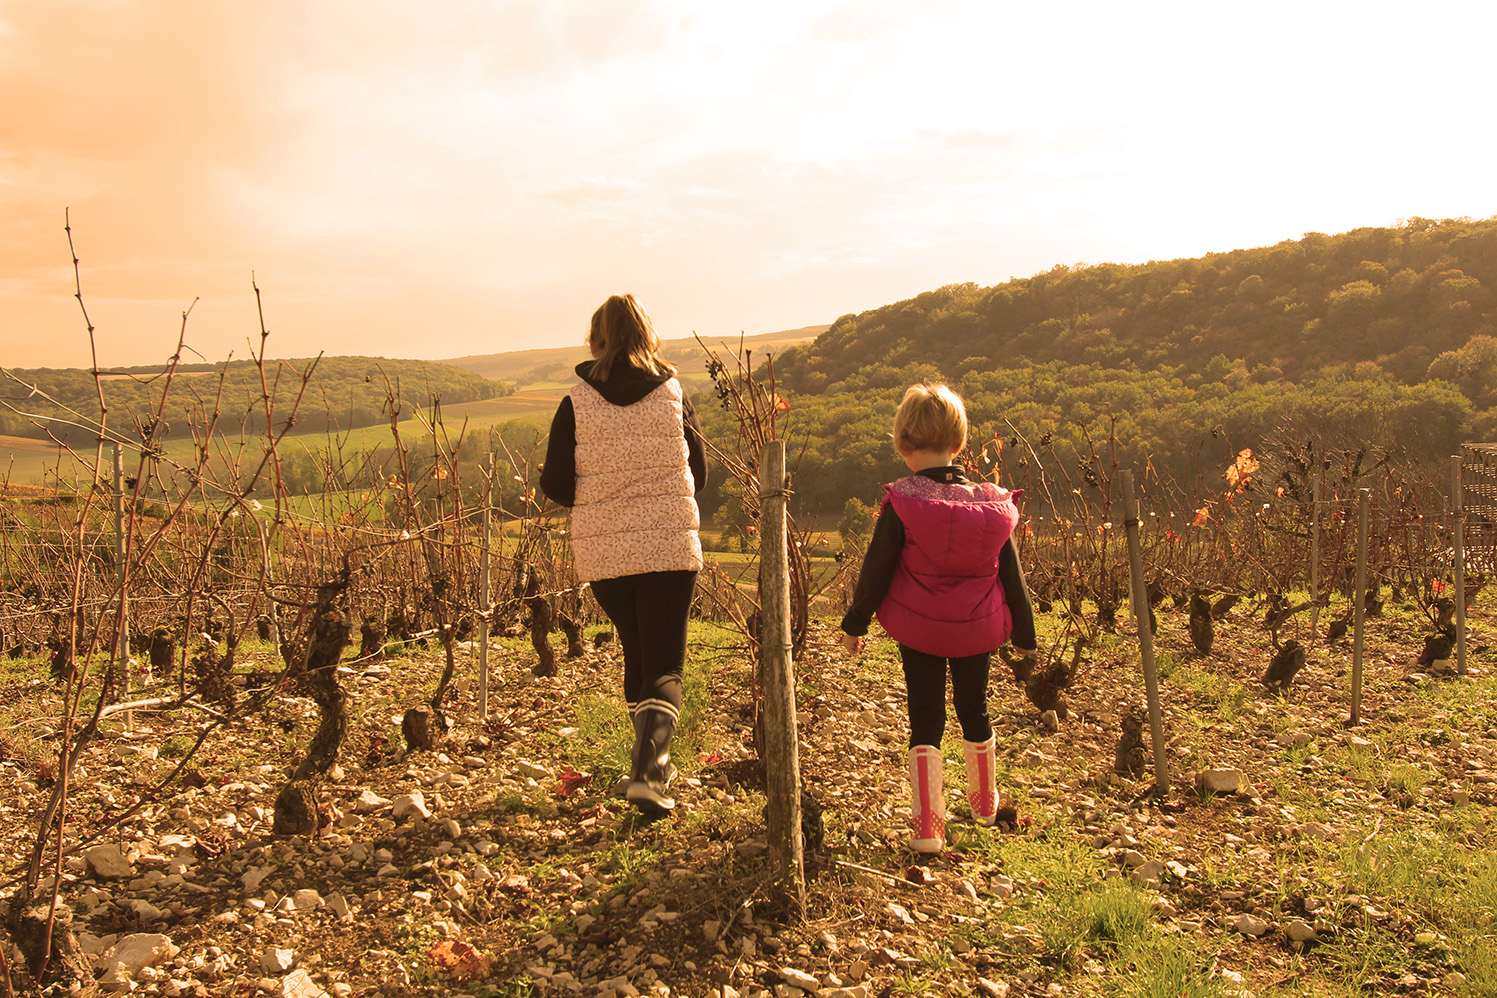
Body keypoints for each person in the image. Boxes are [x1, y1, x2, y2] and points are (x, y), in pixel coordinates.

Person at [839, 383, 1037, 852]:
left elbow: (878, 567)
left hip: (920, 627)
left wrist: (855, 622)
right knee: (975, 707)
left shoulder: (903, 503)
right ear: (959, 443)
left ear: (904, 444)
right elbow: (1012, 575)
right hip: (976, 628)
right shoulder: (991, 505)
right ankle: (985, 807)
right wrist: (1025, 636)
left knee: (925, 717)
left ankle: (929, 828)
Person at [539, 294, 708, 814]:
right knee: (665, 666)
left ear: (596, 343)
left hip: (604, 556)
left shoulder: (574, 402)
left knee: (637, 655)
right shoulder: (675, 395)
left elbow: (559, 487)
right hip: (668, 546)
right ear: (648, 339)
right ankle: (650, 770)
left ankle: (648, 763)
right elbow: (697, 473)